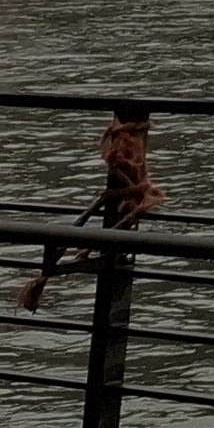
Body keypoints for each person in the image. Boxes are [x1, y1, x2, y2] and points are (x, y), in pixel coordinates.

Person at [16, 107, 158, 311]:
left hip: (117, 208)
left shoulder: (125, 174)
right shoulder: (123, 166)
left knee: (107, 240)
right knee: (110, 246)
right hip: (115, 212)